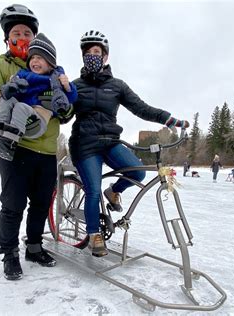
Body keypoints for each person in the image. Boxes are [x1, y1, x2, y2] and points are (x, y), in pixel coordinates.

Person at [68, 30, 189, 257]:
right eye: (88, 52)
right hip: (84, 145)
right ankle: (94, 234)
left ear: (105, 56)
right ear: (83, 57)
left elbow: (141, 107)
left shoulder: (117, 86)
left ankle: (113, 191)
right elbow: (63, 113)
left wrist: (167, 118)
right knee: (92, 190)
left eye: (97, 52)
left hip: (110, 142)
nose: (92, 56)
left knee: (137, 173)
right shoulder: (75, 86)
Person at [0, 4, 73, 280]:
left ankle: (33, 246)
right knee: (13, 204)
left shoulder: (49, 69)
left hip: (46, 150)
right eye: (16, 32)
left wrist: (65, 109)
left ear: (35, 38)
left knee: (42, 203)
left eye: (27, 32)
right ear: (7, 37)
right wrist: (2, 117)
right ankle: (9, 253)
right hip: (15, 147)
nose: (22, 36)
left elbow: (66, 105)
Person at [0, 33, 77, 161]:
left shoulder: (55, 79)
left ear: (50, 63)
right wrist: (12, 87)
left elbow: (71, 98)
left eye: (40, 58)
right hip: (23, 118)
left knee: (20, 107)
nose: (35, 60)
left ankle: (9, 144)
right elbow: (12, 94)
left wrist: (68, 87)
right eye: (33, 57)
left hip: (39, 121)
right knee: (6, 100)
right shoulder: (23, 75)